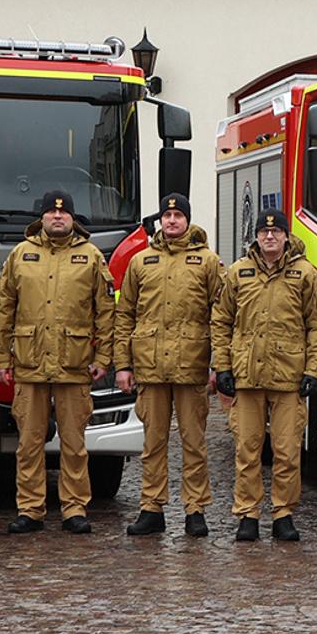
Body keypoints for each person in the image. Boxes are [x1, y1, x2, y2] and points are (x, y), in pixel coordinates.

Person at [0, 190, 115, 535]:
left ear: (73, 218)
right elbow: (4, 310)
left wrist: (103, 356)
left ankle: (74, 508)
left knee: (74, 444)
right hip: (29, 363)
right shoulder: (21, 254)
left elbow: (105, 312)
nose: (57, 217)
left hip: (74, 364)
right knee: (29, 443)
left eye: (63, 213)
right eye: (51, 212)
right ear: (42, 218)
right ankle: (30, 509)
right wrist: (1, 358)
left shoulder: (90, 256)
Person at [211, 210, 317, 543]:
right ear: (257, 236)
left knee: (287, 451)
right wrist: (223, 366)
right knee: (247, 450)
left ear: (286, 237)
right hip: (247, 375)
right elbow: (221, 321)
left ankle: (283, 514)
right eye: (264, 232)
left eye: (276, 232)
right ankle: (247, 514)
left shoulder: (304, 274)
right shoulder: (238, 272)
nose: (270, 237)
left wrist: (313, 371)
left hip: (288, 376)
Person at [114, 193, 222, 538]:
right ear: (160, 220)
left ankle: (195, 509)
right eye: (167, 215)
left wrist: (218, 365)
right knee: (153, 443)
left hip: (192, 365)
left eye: (178, 215)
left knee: (194, 443)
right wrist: (123, 365)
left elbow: (221, 316)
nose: (172, 221)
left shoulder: (207, 262)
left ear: (188, 220)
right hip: (150, 367)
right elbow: (125, 315)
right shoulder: (140, 262)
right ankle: (151, 508)